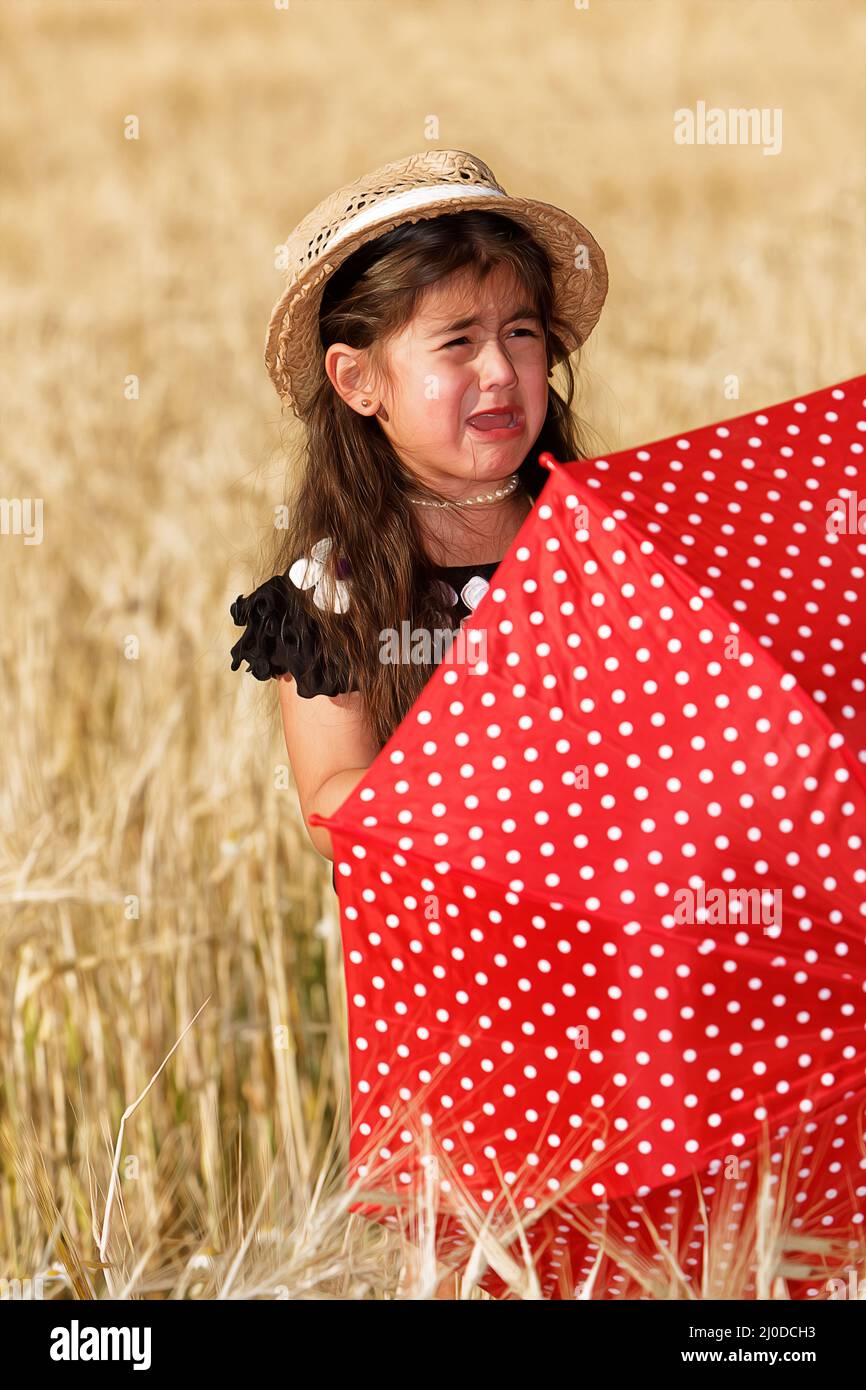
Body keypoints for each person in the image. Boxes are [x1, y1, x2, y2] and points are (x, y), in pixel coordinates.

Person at [229, 149, 609, 893]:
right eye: (458, 342)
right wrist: (487, 790)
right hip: (446, 959)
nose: (499, 370)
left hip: (613, 935)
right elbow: (332, 796)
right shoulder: (333, 589)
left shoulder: (591, 541)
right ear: (359, 380)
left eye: (522, 335)